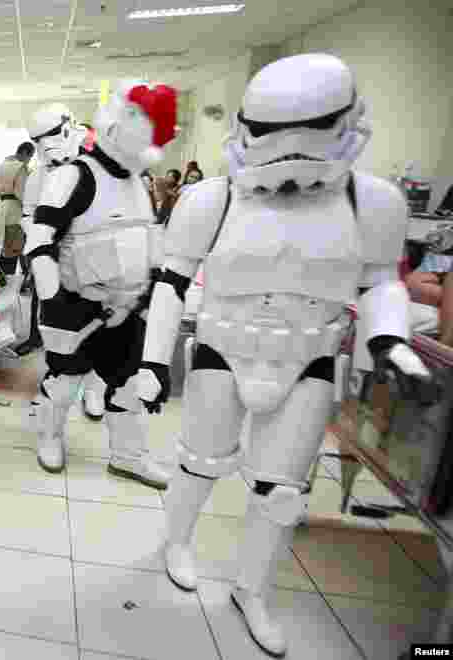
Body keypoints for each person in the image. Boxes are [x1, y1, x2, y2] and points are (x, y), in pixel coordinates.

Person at [135, 54, 438, 656]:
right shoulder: (211, 200)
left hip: (309, 360)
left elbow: (383, 283)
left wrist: (391, 342)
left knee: (281, 491)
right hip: (223, 347)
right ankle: (176, 542)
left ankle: (254, 590)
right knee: (198, 462)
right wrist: (150, 364)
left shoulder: (370, 203)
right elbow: (171, 283)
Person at [24, 79, 177, 490]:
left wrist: (151, 293)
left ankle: (128, 456)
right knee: (63, 382)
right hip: (77, 303)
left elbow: (147, 237)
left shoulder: (138, 183)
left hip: (127, 307)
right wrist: (52, 296)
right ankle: (50, 437)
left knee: (128, 384)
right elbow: (40, 241)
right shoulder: (72, 176)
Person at [15, 103, 85, 357]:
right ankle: (37, 337)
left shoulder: (88, 168)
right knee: (41, 297)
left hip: (83, 248)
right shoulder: (38, 176)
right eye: (38, 140)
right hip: (48, 247)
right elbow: (27, 213)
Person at [0, 142, 34, 275]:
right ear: (25, 153)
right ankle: (8, 281)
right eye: (30, 157)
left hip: (3, 208)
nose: (29, 161)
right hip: (15, 211)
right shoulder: (20, 167)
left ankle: (4, 278)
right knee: (15, 249)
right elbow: (22, 193)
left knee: (7, 248)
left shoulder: (1, 166)